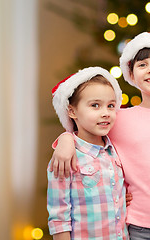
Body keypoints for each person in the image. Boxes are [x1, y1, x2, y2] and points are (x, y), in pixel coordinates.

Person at [50, 29, 150, 239]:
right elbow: (86, 134)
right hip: (138, 225)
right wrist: (65, 139)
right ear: (131, 74)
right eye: (142, 64)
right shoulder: (117, 118)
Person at [47, 66, 129, 239]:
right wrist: (65, 138)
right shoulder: (66, 156)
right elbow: (59, 216)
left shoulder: (114, 150)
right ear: (72, 111)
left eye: (111, 105)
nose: (106, 113)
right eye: (95, 105)